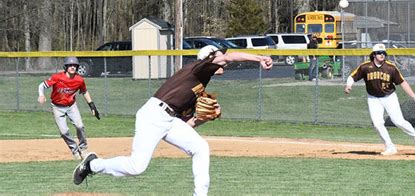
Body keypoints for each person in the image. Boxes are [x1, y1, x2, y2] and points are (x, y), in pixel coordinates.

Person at [73, 46, 273, 196]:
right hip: (153, 115)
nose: (225, 62)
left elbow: (186, 125)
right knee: (137, 167)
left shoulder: (199, 85)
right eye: (219, 56)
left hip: (169, 119)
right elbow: (229, 56)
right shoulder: (198, 68)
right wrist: (260, 58)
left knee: (200, 147)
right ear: (210, 58)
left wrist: (204, 117)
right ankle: (92, 165)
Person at [344, 44, 415, 156]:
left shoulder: (390, 68)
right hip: (373, 98)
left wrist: (414, 97)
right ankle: (390, 146)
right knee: (377, 123)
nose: (382, 55)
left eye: (383, 53)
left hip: (389, 97)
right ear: (373, 55)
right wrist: (349, 85)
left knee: (399, 122)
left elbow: (403, 82)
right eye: (379, 53)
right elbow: (352, 77)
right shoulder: (365, 67)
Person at [38, 56, 100, 160]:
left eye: (74, 65)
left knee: (80, 126)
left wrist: (92, 106)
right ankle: (74, 149)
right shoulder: (57, 77)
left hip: (71, 106)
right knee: (64, 132)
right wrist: (41, 94)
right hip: (57, 107)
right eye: (70, 65)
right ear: (66, 67)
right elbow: (42, 85)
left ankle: (83, 148)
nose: (72, 67)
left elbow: (84, 91)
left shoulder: (79, 80)